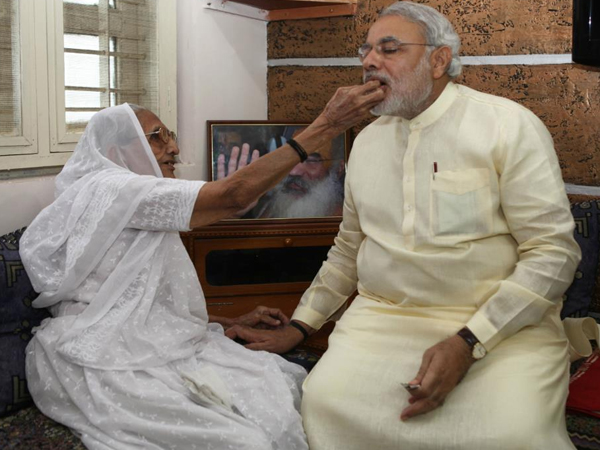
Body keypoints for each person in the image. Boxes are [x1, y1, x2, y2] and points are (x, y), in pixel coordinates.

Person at [225, 2, 582, 449]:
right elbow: (348, 251)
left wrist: (469, 342)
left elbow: (553, 253)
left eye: (389, 49)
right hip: (383, 320)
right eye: (366, 51)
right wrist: (299, 326)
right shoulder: (368, 141)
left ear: (438, 60)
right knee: (324, 404)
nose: (370, 62)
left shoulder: (508, 126)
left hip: (500, 323)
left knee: (511, 432)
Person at [20, 80, 385, 449]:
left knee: (284, 392)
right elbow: (233, 196)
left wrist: (225, 321)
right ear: (116, 150)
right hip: (102, 358)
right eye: (157, 137)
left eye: (171, 136)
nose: (174, 148)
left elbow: (133, 300)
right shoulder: (115, 188)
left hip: (143, 343)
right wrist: (327, 124)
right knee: (243, 439)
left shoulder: (120, 191)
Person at [217, 128, 346, 219]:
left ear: (338, 169)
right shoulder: (266, 207)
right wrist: (231, 214)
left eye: (311, 161)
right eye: (290, 159)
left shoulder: (348, 223)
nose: (293, 171)